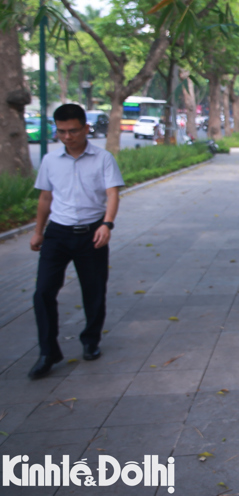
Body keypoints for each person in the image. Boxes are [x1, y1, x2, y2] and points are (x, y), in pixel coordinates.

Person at [28, 104, 124, 379]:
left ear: (85, 128)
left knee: (93, 290)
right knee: (43, 291)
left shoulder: (103, 158)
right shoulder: (50, 160)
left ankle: (90, 340)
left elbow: (112, 194)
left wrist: (107, 224)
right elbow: (45, 198)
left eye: (72, 131)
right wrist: (38, 231)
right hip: (57, 233)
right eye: (61, 131)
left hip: (92, 232)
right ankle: (48, 351)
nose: (67, 136)